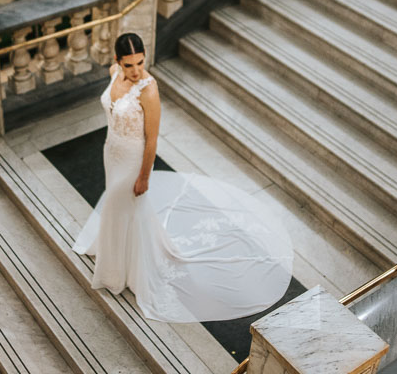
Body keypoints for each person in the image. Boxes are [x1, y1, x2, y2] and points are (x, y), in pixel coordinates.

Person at [72, 32, 293, 322]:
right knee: (119, 208)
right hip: (111, 151)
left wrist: (144, 178)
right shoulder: (114, 73)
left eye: (140, 62)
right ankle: (115, 253)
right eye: (129, 65)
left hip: (133, 159)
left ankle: (123, 269)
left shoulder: (149, 90)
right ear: (117, 62)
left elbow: (151, 140)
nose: (137, 70)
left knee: (121, 204)